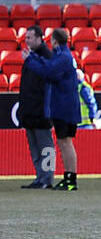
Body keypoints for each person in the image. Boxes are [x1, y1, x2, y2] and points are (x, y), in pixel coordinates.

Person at [24, 28, 82, 191]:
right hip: (64, 105)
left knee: (65, 142)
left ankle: (71, 179)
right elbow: (50, 67)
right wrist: (34, 57)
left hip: (64, 105)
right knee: (64, 142)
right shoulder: (62, 55)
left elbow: (48, 72)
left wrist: (30, 60)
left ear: (54, 41)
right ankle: (68, 177)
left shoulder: (63, 56)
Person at [17, 26, 54, 189]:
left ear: (40, 38)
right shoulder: (31, 56)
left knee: (45, 147)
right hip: (30, 110)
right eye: (26, 38)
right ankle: (40, 177)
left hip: (41, 111)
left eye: (30, 37)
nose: (27, 41)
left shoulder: (46, 56)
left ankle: (47, 178)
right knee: (35, 147)